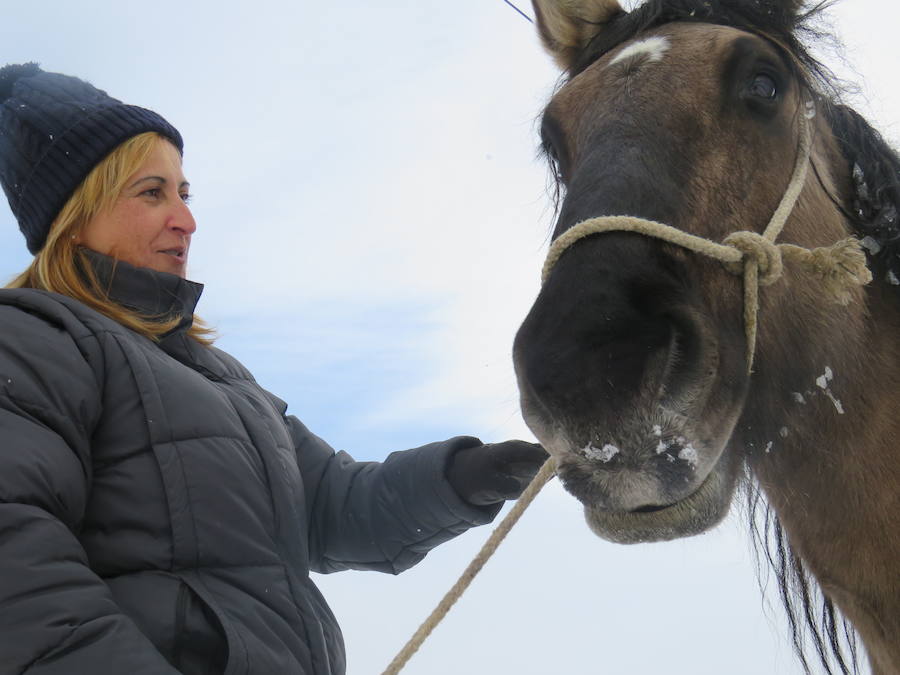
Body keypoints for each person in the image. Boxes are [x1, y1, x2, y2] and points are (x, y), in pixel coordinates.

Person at [0, 63, 547, 675]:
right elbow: (17, 565)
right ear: (73, 220)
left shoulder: (223, 380)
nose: (185, 219)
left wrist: (465, 476)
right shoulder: (33, 339)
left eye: (184, 193)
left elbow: (334, 506)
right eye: (151, 192)